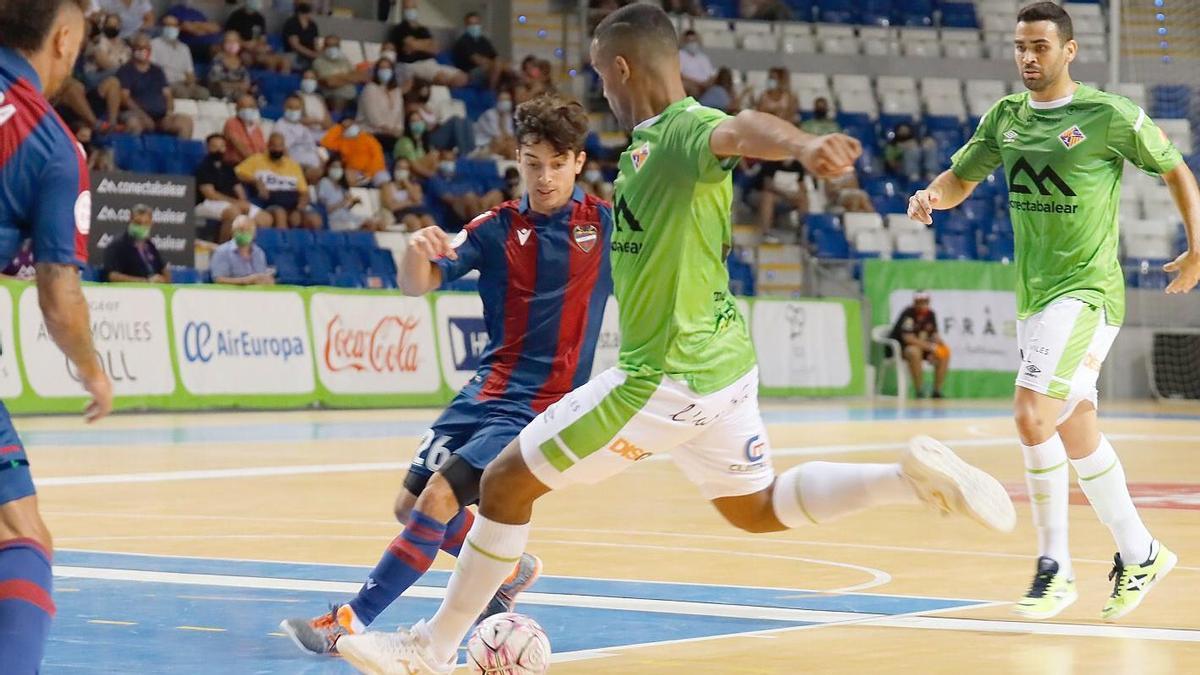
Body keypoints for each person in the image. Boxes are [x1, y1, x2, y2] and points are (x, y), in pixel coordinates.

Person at [336, 6, 1015, 671]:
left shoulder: (679, 133)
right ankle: (907, 479)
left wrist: (804, 146)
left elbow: (738, 128)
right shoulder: (646, 151)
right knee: (754, 507)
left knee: (506, 482)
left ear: (623, 68)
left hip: (660, 376)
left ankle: (429, 646)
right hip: (724, 369)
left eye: (602, 78)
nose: (602, 92)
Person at [281, 93, 612, 657]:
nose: (546, 176)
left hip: (541, 403)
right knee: (409, 507)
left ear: (578, 162)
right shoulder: (496, 227)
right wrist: (416, 248)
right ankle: (507, 573)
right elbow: (417, 283)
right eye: (534, 163)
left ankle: (345, 624)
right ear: (518, 158)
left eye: (558, 164)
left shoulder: (604, 226)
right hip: (485, 389)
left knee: (436, 500)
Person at [907, 2, 1200, 622]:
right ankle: (1141, 551)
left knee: (1031, 411)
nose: (1028, 58)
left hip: (1088, 290)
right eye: (1020, 46)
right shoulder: (1006, 118)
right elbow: (963, 177)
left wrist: (1199, 249)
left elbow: (1177, 171)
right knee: (1073, 426)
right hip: (1035, 296)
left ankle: (1054, 565)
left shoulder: (1106, 115)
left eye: (1040, 46)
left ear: (1069, 51)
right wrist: (935, 194)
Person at [0, 3, 114, 669]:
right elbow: (58, 295)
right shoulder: (51, 145)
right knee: (20, 532)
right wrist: (92, 370)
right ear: (64, 40)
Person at [236, 132, 323, 230]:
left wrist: (298, 209)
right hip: (269, 202)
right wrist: (255, 181)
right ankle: (283, 244)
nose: (277, 149)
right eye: (274, 146)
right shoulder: (256, 160)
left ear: (284, 147)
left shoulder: (293, 165)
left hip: (293, 203)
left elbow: (304, 192)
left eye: (280, 146)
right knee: (280, 213)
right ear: (268, 145)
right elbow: (237, 173)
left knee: (315, 220)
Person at [195, 133, 273, 241]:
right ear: (207, 148)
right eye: (215, 147)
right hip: (206, 203)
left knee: (265, 218)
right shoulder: (203, 168)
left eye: (221, 146)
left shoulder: (228, 167)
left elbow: (238, 188)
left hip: (231, 202)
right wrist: (235, 202)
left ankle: (245, 246)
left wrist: (244, 202)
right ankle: (223, 249)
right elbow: (210, 194)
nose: (219, 150)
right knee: (233, 212)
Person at [116, 33, 193, 138]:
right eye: (138, 47)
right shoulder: (126, 70)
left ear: (150, 50)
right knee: (134, 123)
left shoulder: (157, 71)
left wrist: (169, 113)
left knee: (185, 122)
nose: (142, 50)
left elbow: (168, 95)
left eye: (145, 48)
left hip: (160, 117)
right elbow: (125, 97)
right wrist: (142, 115)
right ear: (133, 49)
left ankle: (180, 153)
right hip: (136, 114)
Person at [388, 0, 469, 87]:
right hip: (412, 65)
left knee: (462, 77)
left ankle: (446, 94)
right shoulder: (399, 29)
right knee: (442, 78)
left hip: (430, 62)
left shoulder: (422, 29)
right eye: (407, 8)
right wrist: (426, 44)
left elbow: (435, 49)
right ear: (403, 10)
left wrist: (416, 45)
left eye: (412, 8)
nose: (410, 10)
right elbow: (411, 45)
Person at [889, 290, 950, 398]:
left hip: (923, 348)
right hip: (902, 349)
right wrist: (930, 347)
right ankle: (919, 390)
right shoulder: (908, 314)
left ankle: (936, 390)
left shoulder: (930, 314)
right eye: (920, 301)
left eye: (925, 301)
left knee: (944, 352)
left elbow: (934, 334)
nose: (922, 304)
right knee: (914, 351)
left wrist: (939, 346)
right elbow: (908, 338)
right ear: (915, 302)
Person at [103, 203, 172, 283]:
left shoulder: (150, 245)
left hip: (154, 292)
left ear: (151, 224)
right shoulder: (117, 246)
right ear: (130, 221)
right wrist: (145, 282)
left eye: (146, 223)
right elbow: (113, 276)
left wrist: (165, 279)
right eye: (138, 223)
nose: (141, 227)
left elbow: (163, 269)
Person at [317, 158, 383, 231]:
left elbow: (344, 208)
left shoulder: (342, 187)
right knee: (370, 224)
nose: (337, 170)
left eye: (340, 167)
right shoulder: (324, 182)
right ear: (328, 168)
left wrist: (352, 202)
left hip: (345, 216)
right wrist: (342, 202)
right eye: (334, 167)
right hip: (333, 218)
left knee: (378, 223)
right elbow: (324, 209)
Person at [152, 14, 208, 99]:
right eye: (168, 25)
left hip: (183, 83)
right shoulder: (154, 44)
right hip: (167, 83)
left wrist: (191, 84)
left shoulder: (184, 48)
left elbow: (190, 72)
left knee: (204, 93)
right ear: (162, 27)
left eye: (174, 26)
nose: (171, 28)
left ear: (178, 28)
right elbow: (152, 69)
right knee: (182, 93)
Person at [357, 57, 407, 152]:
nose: (385, 71)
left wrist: (398, 130)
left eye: (387, 68)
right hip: (372, 132)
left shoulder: (396, 91)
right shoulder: (370, 89)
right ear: (376, 71)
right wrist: (387, 129)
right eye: (382, 68)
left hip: (392, 134)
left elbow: (400, 116)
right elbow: (373, 116)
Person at [322, 119, 390, 187]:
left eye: (351, 125)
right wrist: (339, 127)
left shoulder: (368, 138)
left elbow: (378, 157)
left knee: (383, 179)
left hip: (373, 171)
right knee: (347, 176)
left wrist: (369, 173)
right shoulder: (342, 141)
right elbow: (325, 142)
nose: (349, 128)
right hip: (354, 172)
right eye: (346, 127)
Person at [209, 215, 275, 285]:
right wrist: (246, 281)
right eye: (241, 229)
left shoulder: (259, 252)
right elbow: (219, 279)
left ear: (254, 233)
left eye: (248, 230)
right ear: (233, 231)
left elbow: (261, 277)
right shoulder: (222, 251)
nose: (244, 232)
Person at [313, 34, 370, 113]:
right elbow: (331, 83)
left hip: (352, 94)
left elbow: (361, 76)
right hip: (333, 96)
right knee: (338, 98)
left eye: (335, 45)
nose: (332, 48)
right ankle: (336, 122)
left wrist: (339, 77)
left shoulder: (344, 60)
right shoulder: (319, 62)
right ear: (324, 47)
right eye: (329, 45)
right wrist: (351, 78)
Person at [451, 11, 506, 90]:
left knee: (508, 70)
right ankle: (491, 92)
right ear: (466, 25)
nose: (475, 27)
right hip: (469, 72)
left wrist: (500, 64)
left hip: (486, 68)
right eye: (471, 24)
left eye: (476, 24)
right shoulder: (463, 41)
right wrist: (495, 64)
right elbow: (478, 60)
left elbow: (495, 56)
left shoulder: (483, 40)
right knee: (496, 66)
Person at [275, 95, 325, 183]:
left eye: (297, 108)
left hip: (315, 167)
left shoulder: (303, 127)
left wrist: (323, 164)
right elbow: (283, 152)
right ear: (284, 108)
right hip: (299, 168)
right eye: (290, 107)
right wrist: (297, 169)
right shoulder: (280, 126)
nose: (293, 111)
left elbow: (313, 148)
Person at [208, 30, 254, 100]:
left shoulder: (243, 60)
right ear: (223, 44)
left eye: (234, 41)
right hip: (221, 94)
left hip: (241, 93)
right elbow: (217, 83)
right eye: (228, 41)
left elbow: (246, 84)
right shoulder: (217, 60)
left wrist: (239, 86)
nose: (232, 44)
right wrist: (237, 85)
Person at [395, 111, 441, 179]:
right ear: (408, 124)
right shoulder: (405, 141)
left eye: (419, 120)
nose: (417, 123)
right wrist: (433, 176)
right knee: (433, 155)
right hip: (411, 173)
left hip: (425, 172)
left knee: (435, 154)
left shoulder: (424, 141)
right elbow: (414, 166)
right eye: (413, 121)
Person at [223, 94, 267, 165]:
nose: (249, 110)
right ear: (237, 108)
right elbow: (240, 148)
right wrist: (257, 164)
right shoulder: (231, 123)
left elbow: (263, 149)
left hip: (255, 165)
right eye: (244, 107)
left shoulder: (256, 128)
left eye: (251, 107)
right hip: (236, 164)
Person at [472, 89, 516, 159]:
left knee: (513, 143)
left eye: (508, 100)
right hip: (482, 144)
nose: (506, 102)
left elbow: (509, 135)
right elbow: (497, 135)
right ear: (497, 101)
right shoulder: (489, 114)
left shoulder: (508, 116)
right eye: (502, 100)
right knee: (500, 141)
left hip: (498, 143)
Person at [282, 1, 320, 71]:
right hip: (294, 54)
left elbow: (316, 44)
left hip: (310, 56)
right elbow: (295, 46)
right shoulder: (291, 23)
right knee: (287, 60)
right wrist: (312, 54)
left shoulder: (313, 25)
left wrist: (319, 54)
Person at [678, 30, 715, 99]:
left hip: (706, 86)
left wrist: (708, 84)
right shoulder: (680, 55)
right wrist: (698, 83)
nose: (692, 44)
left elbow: (711, 75)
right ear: (684, 42)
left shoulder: (703, 57)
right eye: (689, 41)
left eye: (694, 41)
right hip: (691, 85)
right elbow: (680, 75)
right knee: (691, 89)